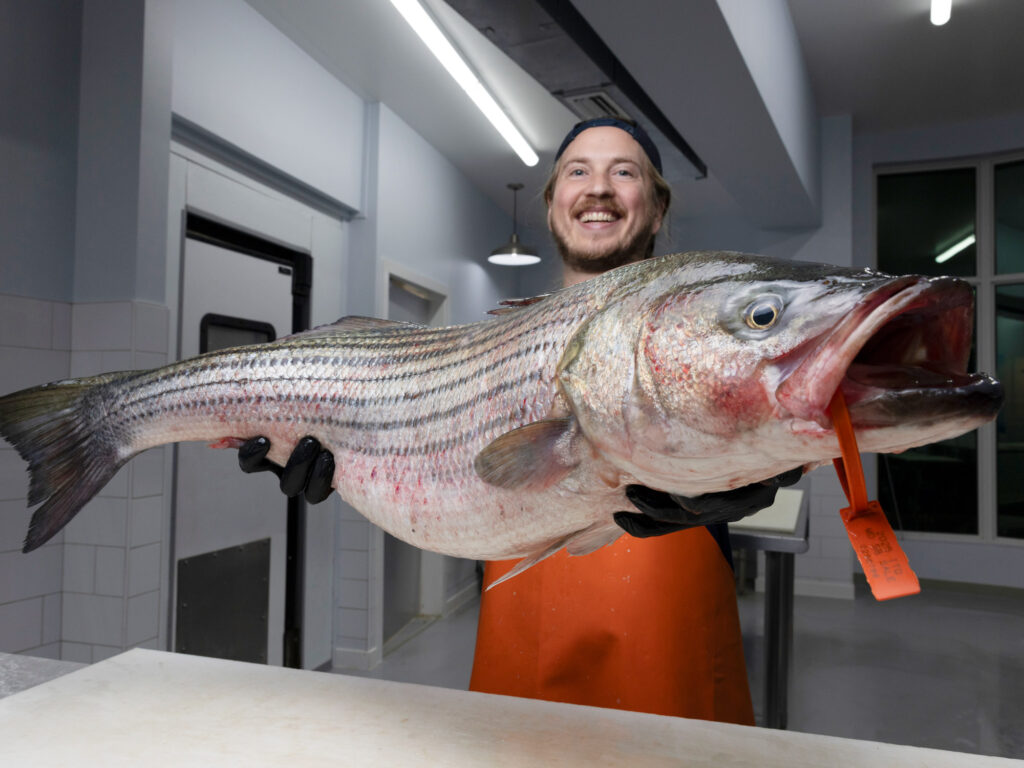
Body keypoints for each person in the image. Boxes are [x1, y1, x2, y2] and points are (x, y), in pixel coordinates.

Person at [237, 117, 799, 723]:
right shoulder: (490, 352)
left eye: (624, 171)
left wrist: (769, 469)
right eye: (577, 171)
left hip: (668, 648)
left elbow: (784, 405)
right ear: (554, 203)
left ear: (656, 208)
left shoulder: (704, 326)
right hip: (523, 640)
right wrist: (347, 462)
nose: (599, 187)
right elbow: (442, 487)